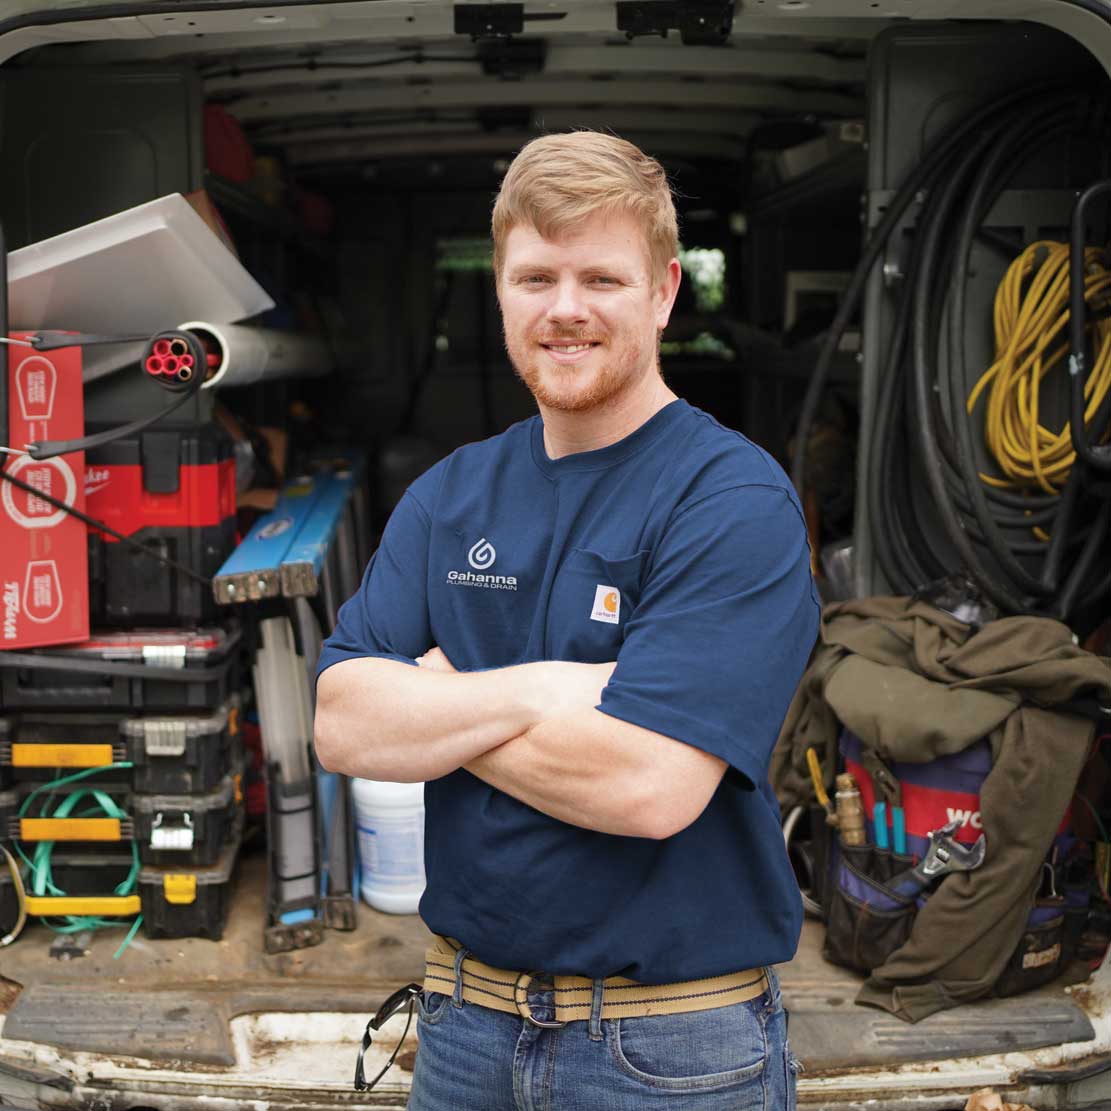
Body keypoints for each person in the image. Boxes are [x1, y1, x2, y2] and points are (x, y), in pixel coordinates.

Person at [315, 130, 820, 1110]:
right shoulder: (449, 493)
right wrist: (549, 691)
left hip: (670, 1049)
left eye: (601, 278)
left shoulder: (729, 499)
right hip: (462, 1028)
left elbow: (650, 784)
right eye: (535, 277)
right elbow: (342, 722)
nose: (565, 310)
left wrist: (438, 698)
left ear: (664, 291)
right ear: (501, 291)